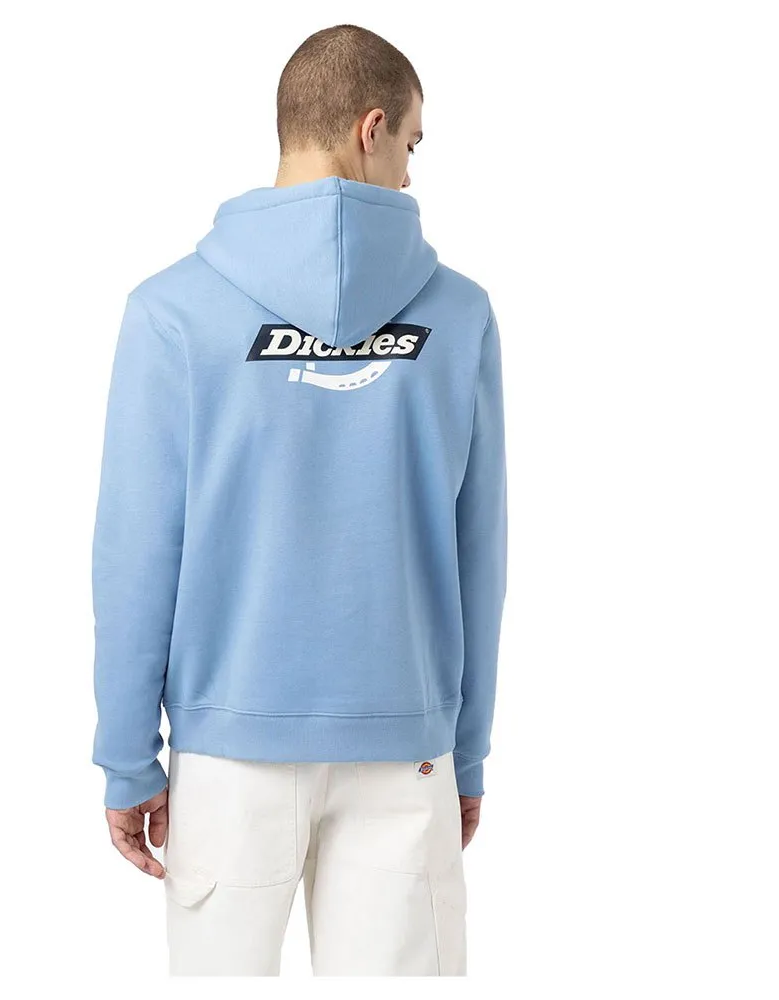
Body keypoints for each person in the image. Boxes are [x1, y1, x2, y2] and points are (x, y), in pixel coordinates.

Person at [90, 23, 508, 976]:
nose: (410, 173)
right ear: (371, 128)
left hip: (228, 752)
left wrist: (127, 756)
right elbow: (479, 550)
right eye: (412, 143)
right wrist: (467, 749)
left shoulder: (171, 311)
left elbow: (137, 550)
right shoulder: (460, 315)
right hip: (406, 745)